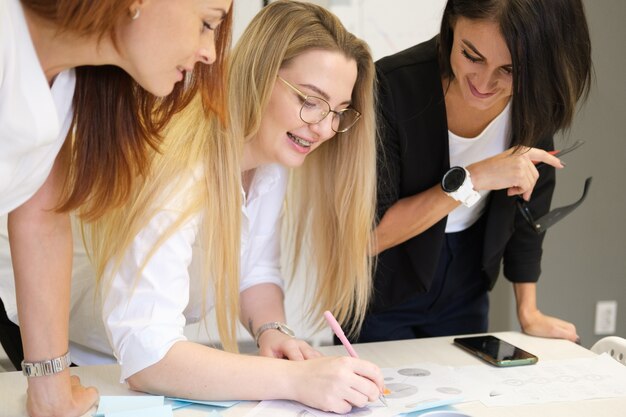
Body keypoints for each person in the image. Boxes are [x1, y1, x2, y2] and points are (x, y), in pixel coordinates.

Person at [2, 1, 382, 414]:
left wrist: (273, 329)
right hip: (70, 341)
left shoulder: (272, 152)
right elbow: (149, 355)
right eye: (311, 100)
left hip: (128, 359)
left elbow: (254, 270)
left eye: (339, 113)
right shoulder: (180, 158)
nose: (326, 128)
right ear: (259, 74)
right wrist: (299, 380)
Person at [0, 1, 233, 416]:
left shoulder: (70, 86)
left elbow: (41, 217)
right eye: (205, 24)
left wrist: (50, 390)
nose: (210, 53)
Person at [354, 0, 592, 344]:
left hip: (468, 277)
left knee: (467, 392)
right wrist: (473, 179)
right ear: (452, 24)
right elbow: (367, 238)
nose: (484, 82)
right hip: (383, 281)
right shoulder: (392, 87)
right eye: (471, 56)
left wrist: (529, 311)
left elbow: (530, 206)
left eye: (510, 70)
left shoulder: (533, 98)